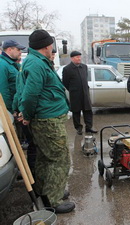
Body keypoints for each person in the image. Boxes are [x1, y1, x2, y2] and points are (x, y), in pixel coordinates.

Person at [19, 29, 75, 213]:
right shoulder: (36, 64)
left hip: (47, 118)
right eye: (51, 43)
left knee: (45, 158)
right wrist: (26, 115)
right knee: (60, 160)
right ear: (47, 45)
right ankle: (54, 200)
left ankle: (46, 190)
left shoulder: (39, 61)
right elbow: (29, 95)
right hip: (48, 121)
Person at [62, 51, 97, 135]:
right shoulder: (67, 69)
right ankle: (78, 128)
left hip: (85, 93)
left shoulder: (84, 67)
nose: (79, 58)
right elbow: (65, 82)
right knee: (76, 112)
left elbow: (85, 78)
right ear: (72, 58)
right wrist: (73, 89)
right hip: (75, 94)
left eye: (80, 56)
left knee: (88, 111)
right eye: (77, 57)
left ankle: (89, 127)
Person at [0, 40, 25, 113]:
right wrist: (10, 110)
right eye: (18, 49)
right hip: (9, 110)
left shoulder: (12, 64)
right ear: (9, 49)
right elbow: (3, 90)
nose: (20, 52)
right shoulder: (2, 65)